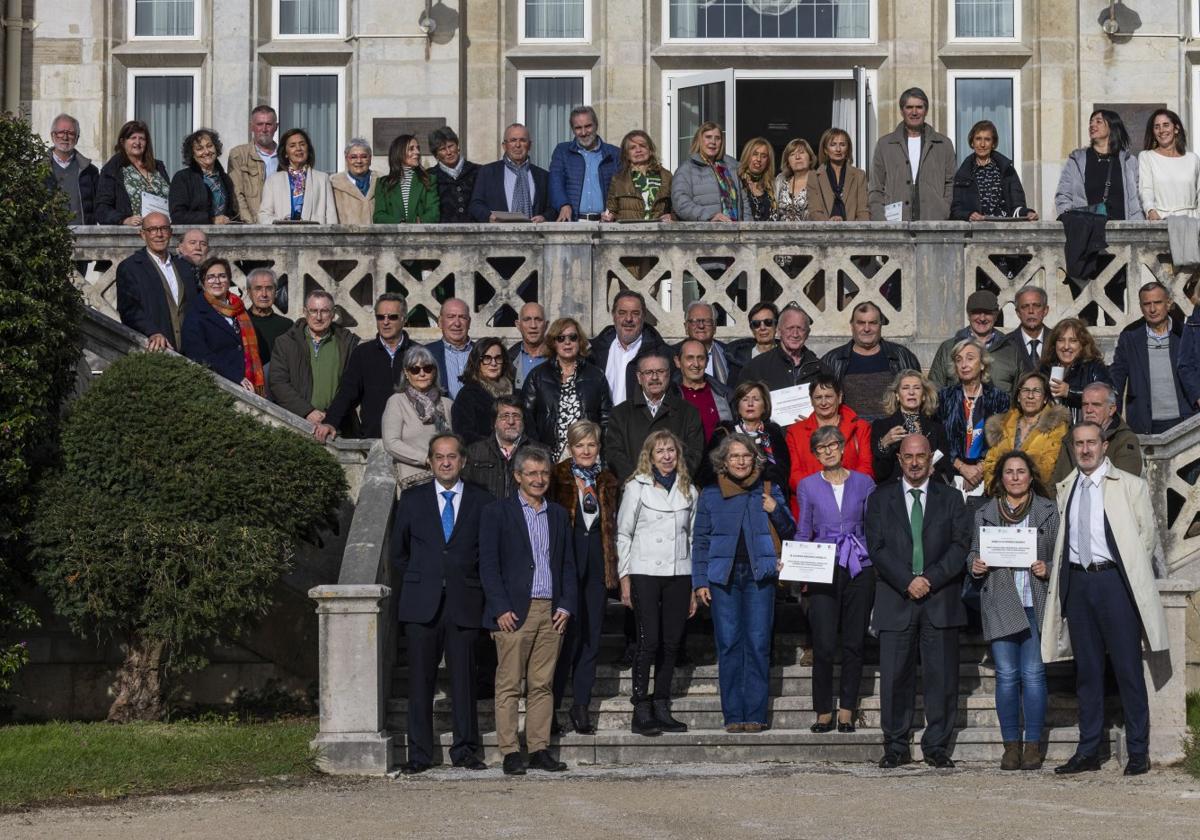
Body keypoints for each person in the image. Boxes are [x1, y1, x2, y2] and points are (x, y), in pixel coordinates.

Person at [1043, 423, 1168, 777]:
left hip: (1114, 581)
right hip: (1079, 585)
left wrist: (1123, 573)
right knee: (1088, 672)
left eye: (1091, 443)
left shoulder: (1130, 485)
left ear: (1104, 445)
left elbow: (1146, 538)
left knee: (1128, 668)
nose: (1085, 449)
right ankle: (1089, 750)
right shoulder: (1067, 487)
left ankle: (1138, 751)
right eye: (1079, 443)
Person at [866, 434, 970, 769]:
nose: (914, 462)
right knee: (895, 676)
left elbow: (960, 545)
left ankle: (937, 745)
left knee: (942, 676)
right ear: (899, 460)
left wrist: (931, 579)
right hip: (897, 598)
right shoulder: (880, 498)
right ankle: (895, 745)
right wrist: (907, 581)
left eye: (921, 456)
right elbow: (877, 547)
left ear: (931, 459)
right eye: (908, 456)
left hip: (939, 599)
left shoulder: (952, 498)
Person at [390, 433, 491, 774]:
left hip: (465, 601)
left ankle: (465, 751)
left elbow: (487, 552)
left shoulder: (481, 499)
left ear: (462, 460)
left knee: (464, 682)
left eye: (452, 456)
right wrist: (424, 578)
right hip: (422, 604)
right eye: (439, 456)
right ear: (430, 461)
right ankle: (420, 754)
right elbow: (398, 554)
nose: (446, 462)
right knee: (420, 683)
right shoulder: (413, 499)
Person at [479, 445, 577, 776]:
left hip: (550, 611)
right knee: (508, 684)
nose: (539, 479)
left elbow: (567, 564)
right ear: (518, 476)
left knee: (542, 684)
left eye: (544, 473)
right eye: (532, 473)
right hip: (514, 612)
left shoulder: (559, 514)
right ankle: (509, 750)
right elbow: (488, 566)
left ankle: (538, 748)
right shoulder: (497, 513)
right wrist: (500, 608)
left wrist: (566, 604)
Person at [692, 434, 795, 733]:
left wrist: (775, 508)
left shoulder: (768, 489)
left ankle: (756, 714)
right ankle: (734, 716)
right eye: (734, 456)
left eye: (746, 456)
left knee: (758, 643)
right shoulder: (710, 494)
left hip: (758, 576)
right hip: (723, 578)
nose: (740, 461)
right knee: (728, 644)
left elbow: (790, 530)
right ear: (723, 461)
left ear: (755, 459)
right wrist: (700, 581)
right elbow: (700, 540)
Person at [967, 450, 1058, 771]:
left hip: (1036, 601)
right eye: (1009, 472)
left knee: (1033, 675)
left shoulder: (1049, 511)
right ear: (1001, 478)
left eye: (1021, 471)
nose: (1016, 477)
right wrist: (975, 565)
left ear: (1031, 476)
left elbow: (1061, 554)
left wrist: (1049, 567)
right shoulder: (985, 512)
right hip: (1000, 600)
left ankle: (1032, 746)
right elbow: (974, 552)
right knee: (1006, 676)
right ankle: (1010, 747)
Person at [795, 426, 876, 734]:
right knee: (825, 643)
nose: (828, 451)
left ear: (843, 447)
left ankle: (847, 710)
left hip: (859, 565)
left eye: (833, 445)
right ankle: (823, 710)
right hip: (822, 567)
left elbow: (872, 527)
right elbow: (804, 531)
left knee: (854, 642)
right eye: (821, 448)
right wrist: (797, 568)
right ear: (815, 454)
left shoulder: (864, 482)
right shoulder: (807, 485)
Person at [617, 430, 698, 736]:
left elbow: (692, 537)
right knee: (648, 640)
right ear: (649, 456)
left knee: (671, 642)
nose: (666, 456)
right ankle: (641, 707)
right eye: (660, 451)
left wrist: (692, 586)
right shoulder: (635, 488)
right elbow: (623, 533)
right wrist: (624, 578)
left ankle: (662, 704)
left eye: (671, 451)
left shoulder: (690, 490)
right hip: (645, 572)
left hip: (679, 573)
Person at [550, 420, 619, 735]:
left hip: (597, 567)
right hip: (566, 567)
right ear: (571, 447)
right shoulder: (556, 477)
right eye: (580, 445)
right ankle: (548, 708)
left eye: (591, 445)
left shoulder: (608, 481)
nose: (586, 450)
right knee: (566, 639)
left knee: (591, 638)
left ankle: (581, 706)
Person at [314, 293, 416, 441]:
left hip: (411, 438)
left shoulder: (418, 353)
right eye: (380, 317)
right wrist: (330, 422)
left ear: (403, 319)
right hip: (374, 438)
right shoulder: (363, 353)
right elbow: (348, 393)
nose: (385, 322)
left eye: (392, 317)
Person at [605, 349, 704, 482]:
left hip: (676, 491)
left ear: (668, 375)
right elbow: (614, 454)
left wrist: (668, 482)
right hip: (634, 491)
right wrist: (638, 482)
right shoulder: (620, 414)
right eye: (648, 372)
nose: (655, 377)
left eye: (660, 371)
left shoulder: (688, 412)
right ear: (639, 378)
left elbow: (694, 454)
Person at [521, 317, 611, 460]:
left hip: (587, 458)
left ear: (579, 341)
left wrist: (603, 456)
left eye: (572, 337)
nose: (567, 342)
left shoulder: (596, 375)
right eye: (561, 338)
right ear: (553, 342)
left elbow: (606, 420)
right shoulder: (537, 376)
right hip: (549, 458)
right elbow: (526, 420)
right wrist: (538, 453)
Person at [786, 373, 874, 519]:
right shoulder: (795, 432)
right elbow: (794, 474)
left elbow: (866, 467)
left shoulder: (860, 427)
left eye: (829, 396)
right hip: (811, 509)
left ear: (839, 397)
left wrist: (843, 493)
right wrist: (820, 495)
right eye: (818, 397)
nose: (823, 402)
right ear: (811, 401)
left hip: (852, 507)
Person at [1111, 280, 1194, 434]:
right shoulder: (1130, 336)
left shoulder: (1185, 333)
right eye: (1147, 304)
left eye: (1158, 302)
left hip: (1186, 418)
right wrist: (1111, 414)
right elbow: (1117, 377)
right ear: (1141, 307)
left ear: (1168, 303)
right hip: (1144, 422)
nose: (1153, 309)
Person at [268, 289, 359, 429]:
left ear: (333, 314)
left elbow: (354, 386)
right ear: (305, 312)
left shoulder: (348, 344)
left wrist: (332, 417)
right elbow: (278, 383)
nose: (318, 317)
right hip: (296, 424)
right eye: (313, 311)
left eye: (324, 311)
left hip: (338, 426)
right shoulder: (286, 343)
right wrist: (307, 412)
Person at [821, 301, 921, 421]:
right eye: (861, 323)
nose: (867, 328)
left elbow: (920, 396)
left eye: (873, 323)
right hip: (850, 434)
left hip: (895, 431)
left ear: (880, 325)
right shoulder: (832, 360)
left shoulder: (902, 356)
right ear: (852, 325)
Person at [868, 87, 956, 221]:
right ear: (902, 111)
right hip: (895, 224)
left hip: (933, 222)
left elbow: (951, 183)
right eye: (909, 107)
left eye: (919, 107)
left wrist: (944, 209)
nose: (914, 112)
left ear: (926, 110)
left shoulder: (943, 144)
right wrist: (881, 220)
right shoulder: (885, 145)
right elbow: (876, 187)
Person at [937, 339, 1011, 494]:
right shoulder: (943, 397)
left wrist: (980, 468)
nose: (964, 364)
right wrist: (961, 467)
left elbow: (1006, 439)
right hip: (950, 478)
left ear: (982, 364)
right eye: (959, 360)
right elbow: (936, 439)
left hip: (988, 477)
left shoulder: (1000, 398)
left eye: (970, 358)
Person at [182, 256, 265, 394]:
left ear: (228, 280)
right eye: (211, 277)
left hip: (248, 384)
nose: (217, 281)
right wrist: (235, 377)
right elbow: (199, 355)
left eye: (222, 276)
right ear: (203, 282)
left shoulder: (239, 309)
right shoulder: (196, 313)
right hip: (219, 387)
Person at [979, 371, 1070, 494]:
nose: (1030, 396)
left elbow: (1050, 466)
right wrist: (997, 489)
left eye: (1037, 391)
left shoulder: (1056, 427)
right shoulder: (1003, 424)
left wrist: (1023, 490)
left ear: (1045, 399)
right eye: (1025, 390)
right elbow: (991, 462)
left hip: (1038, 496)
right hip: (1001, 495)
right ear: (1018, 396)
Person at [115, 212, 192, 351]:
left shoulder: (184, 267)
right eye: (152, 230)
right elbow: (129, 310)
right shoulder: (130, 267)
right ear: (143, 234)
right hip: (156, 351)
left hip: (191, 351)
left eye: (163, 228)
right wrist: (152, 332)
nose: (159, 234)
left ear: (170, 232)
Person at [382, 345, 455, 487]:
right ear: (407, 374)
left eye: (427, 368)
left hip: (447, 479)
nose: (422, 374)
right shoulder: (397, 402)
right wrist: (427, 459)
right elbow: (391, 443)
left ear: (434, 372)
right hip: (414, 480)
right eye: (415, 370)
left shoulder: (447, 404)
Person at [701, 381, 791, 494]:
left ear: (765, 406)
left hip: (766, 496)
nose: (750, 404)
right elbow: (707, 471)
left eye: (756, 399)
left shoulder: (773, 433)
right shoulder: (723, 433)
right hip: (730, 496)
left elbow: (782, 470)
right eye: (745, 399)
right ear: (738, 406)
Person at [1054, 109, 1143, 221]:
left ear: (1112, 126)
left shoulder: (1129, 161)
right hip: (1087, 231)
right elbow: (1063, 195)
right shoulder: (1077, 160)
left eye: (1098, 121)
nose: (1092, 125)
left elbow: (1138, 198)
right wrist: (1072, 219)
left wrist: (1137, 224)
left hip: (1123, 231)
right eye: (1091, 122)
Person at [872, 370, 953, 485]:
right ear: (897, 395)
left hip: (929, 492)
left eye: (916, 388)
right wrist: (884, 444)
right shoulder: (881, 426)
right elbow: (880, 473)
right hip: (895, 494)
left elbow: (947, 472)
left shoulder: (937, 429)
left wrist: (933, 472)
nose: (911, 392)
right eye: (905, 388)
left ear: (924, 396)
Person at [928, 290, 1019, 394]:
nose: (982, 318)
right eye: (977, 312)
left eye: (988, 313)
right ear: (968, 315)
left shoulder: (1011, 348)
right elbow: (933, 391)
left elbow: (1020, 393)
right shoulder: (948, 348)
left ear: (996, 315)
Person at [588, 289, 669, 405]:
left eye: (635, 313)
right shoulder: (594, 352)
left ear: (644, 316)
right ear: (613, 316)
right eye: (622, 313)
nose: (628, 319)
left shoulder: (661, 354)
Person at [1051, 382, 1144, 482]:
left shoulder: (1124, 440)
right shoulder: (1070, 437)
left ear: (1111, 409)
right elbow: (1055, 483)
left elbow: (1125, 484)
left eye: (1096, 405)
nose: (1089, 410)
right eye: (1085, 404)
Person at [950, 119, 1037, 221]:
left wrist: (1028, 213)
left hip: (1003, 229)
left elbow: (1016, 206)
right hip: (975, 230)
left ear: (993, 144)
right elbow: (955, 210)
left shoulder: (1007, 170)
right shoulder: (963, 173)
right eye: (978, 139)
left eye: (987, 139)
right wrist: (969, 215)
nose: (982, 144)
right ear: (972, 142)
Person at [733, 304, 824, 398]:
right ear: (779, 331)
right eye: (790, 328)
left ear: (808, 333)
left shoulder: (820, 368)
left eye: (800, 328)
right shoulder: (753, 367)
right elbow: (739, 403)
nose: (795, 334)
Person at [548, 105, 619, 222]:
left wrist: (613, 210)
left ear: (596, 125)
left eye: (588, 126)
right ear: (572, 129)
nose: (584, 132)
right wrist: (563, 204)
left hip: (605, 222)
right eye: (578, 128)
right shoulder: (562, 151)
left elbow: (620, 188)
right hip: (574, 221)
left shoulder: (614, 153)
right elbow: (555, 182)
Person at [468, 123, 550, 223]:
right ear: (504, 146)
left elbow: (552, 208)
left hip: (534, 236)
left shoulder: (543, 176)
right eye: (513, 140)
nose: (518, 145)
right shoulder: (487, 172)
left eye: (523, 140)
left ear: (530, 145)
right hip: (498, 235)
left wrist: (544, 217)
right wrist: (489, 216)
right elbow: (475, 205)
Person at [95, 119, 170, 226]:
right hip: (134, 234)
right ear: (123, 142)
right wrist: (124, 220)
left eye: (142, 139)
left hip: (162, 230)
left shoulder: (158, 167)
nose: (137, 142)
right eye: (133, 138)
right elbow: (102, 209)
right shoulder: (113, 169)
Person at [258, 127, 337, 224]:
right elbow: (264, 216)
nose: (298, 149)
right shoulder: (273, 181)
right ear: (286, 153)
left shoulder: (322, 179)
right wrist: (281, 222)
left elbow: (331, 217)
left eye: (302, 144)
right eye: (292, 146)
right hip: (282, 236)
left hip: (314, 236)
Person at [1040, 317, 1111, 424]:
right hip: (1051, 434)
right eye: (1061, 340)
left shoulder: (1094, 366)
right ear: (1054, 344)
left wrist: (1070, 391)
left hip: (1084, 432)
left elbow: (1109, 396)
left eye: (1073, 341)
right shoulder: (1045, 368)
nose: (1066, 346)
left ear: (1082, 344)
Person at [671, 121, 743, 222]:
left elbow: (743, 203)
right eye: (708, 137)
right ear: (699, 140)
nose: (713, 142)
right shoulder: (686, 169)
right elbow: (681, 203)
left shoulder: (731, 167)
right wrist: (709, 216)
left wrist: (748, 229)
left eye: (717, 138)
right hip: (705, 232)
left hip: (734, 232)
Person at [1138, 108, 1200, 219]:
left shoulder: (1193, 159)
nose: (1161, 130)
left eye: (1166, 125)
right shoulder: (1146, 157)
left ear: (1176, 129)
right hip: (1161, 221)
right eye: (1157, 127)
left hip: (1193, 222)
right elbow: (1146, 189)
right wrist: (1150, 210)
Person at [451, 338, 515, 446]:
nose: (493, 363)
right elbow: (464, 435)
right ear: (477, 362)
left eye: (498, 358)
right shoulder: (467, 395)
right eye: (487, 358)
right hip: (483, 459)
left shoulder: (515, 393)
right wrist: (500, 447)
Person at [168, 128, 238, 224]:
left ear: (216, 148)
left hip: (222, 236)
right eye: (199, 149)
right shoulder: (182, 178)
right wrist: (211, 219)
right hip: (193, 236)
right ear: (192, 154)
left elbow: (230, 212)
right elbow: (177, 216)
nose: (206, 152)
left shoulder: (225, 179)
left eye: (209, 146)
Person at [464, 395, 527, 501]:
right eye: (505, 416)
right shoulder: (474, 452)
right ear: (494, 422)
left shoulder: (538, 452)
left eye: (516, 416)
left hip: (523, 516)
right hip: (485, 515)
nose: (511, 422)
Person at [602, 130, 673, 222]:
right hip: (629, 233)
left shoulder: (666, 176)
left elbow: (676, 206)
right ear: (627, 154)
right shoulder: (619, 179)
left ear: (650, 150)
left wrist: (672, 216)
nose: (638, 150)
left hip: (658, 232)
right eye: (632, 148)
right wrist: (609, 217)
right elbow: (612, 210)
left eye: (642, 146)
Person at [673, 338, 734, 443]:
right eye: (690, 358)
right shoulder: (671, 395)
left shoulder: (724, 395)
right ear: (678, 362)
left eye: (700, 358)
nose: (696, 364)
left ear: (707, 362)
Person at [227, 105, 279, 224]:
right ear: (252, 127)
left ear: (276, 127)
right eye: (259, 124)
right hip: (252, 224)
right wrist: (250, 224)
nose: (264, 129)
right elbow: (237, 193)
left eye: (269, 124)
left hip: (281, 223)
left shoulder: (286, 155)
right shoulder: (238, 154)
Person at [45, 113, 98, 225]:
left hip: (83, 236)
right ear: (53, 136)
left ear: (77, 138)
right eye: (61, 133)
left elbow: (98, 206)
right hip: (48, 236)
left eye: (70, 133)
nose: (65, 137)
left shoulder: (90, 171)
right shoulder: (39, 169)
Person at [374, 134, 439, 224]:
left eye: (418, 148)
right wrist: (399, 223)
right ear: (399, 152)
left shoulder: (428, 179)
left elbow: (433, 213)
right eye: (411, 149)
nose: (417, 152)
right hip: (393, 236)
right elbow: (379, 216)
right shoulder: (383, 183)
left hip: (421, 235)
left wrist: (416, 223)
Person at [807, 128, 869, 222]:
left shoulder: (859, 175)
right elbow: (814, 211)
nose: (838, 149)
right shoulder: (814, 177)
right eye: (833, 145)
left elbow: (863, 211)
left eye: (842, 145)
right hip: (825, 232)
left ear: (848, 149)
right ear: (825, 150)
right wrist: (829, 223)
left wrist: (855, 231)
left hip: (853, 232)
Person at [995, 285, 1055, 375]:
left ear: (1045, 310)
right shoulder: (1006, 344)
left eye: (1036, 305)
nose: (1031, 311)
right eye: (1025, 306)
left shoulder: (1057, 340)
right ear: (1018, 313)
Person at [675, 301, 737, 385]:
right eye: (695, 321)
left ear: (714, 327)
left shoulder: (729, 353)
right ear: (686, 327)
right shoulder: (673, 353)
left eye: (707, 321)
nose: (701, 326)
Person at [428, 127, 481, 224]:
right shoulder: (429, 176)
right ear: (436, 155)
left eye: (451, 146)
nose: (449, 152)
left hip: (475, 233)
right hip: (442, 235)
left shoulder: (478, 171)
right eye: (442, 149)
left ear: (457, 146)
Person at [426, 298, 474, 399]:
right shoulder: (426, 354)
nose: (457, 323)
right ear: (440, 322)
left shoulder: (482, 352)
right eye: (451, 317)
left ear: (469, 323)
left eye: (462, 317)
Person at [245, 268, 291, 367]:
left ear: (275, 292)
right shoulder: (240, 322)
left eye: (269, 288)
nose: (264, 294)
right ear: (249, 292)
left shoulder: (287, 326)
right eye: (258, 288)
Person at [330, 138, 378, 225]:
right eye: (353, 157)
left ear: (370, 159)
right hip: (346, 237)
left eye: (364, 157)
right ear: (346, 159)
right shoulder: (333, 184)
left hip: (377, 237)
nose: (359, 161)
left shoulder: (381, 181)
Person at [725, 301, 778, 374]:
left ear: (776, 326)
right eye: (756, 324)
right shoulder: (737, 361)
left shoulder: (789, 356)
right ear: (752, 329)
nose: (762, 327)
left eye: (768, 322)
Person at [508, 302, 550, 389]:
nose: (533, 325)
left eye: (538, 319)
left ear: (546, 325)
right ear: (518, 325)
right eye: (527, 319)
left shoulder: (560, 356)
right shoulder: (508, 358)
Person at [771, 138, 813, 221]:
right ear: (788, 163)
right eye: (792, 154)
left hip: (810, 233)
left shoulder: (819, 181)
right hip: (781, 233)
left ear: (810, 159)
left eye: (802, 153)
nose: (797, 157)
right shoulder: (780, 182)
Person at [737, 137, 776, 222]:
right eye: (755, 154)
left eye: (764, 156)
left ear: (768, 161)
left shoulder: (773, 186)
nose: (758, 159)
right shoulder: (737, 182)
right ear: (747, 156)